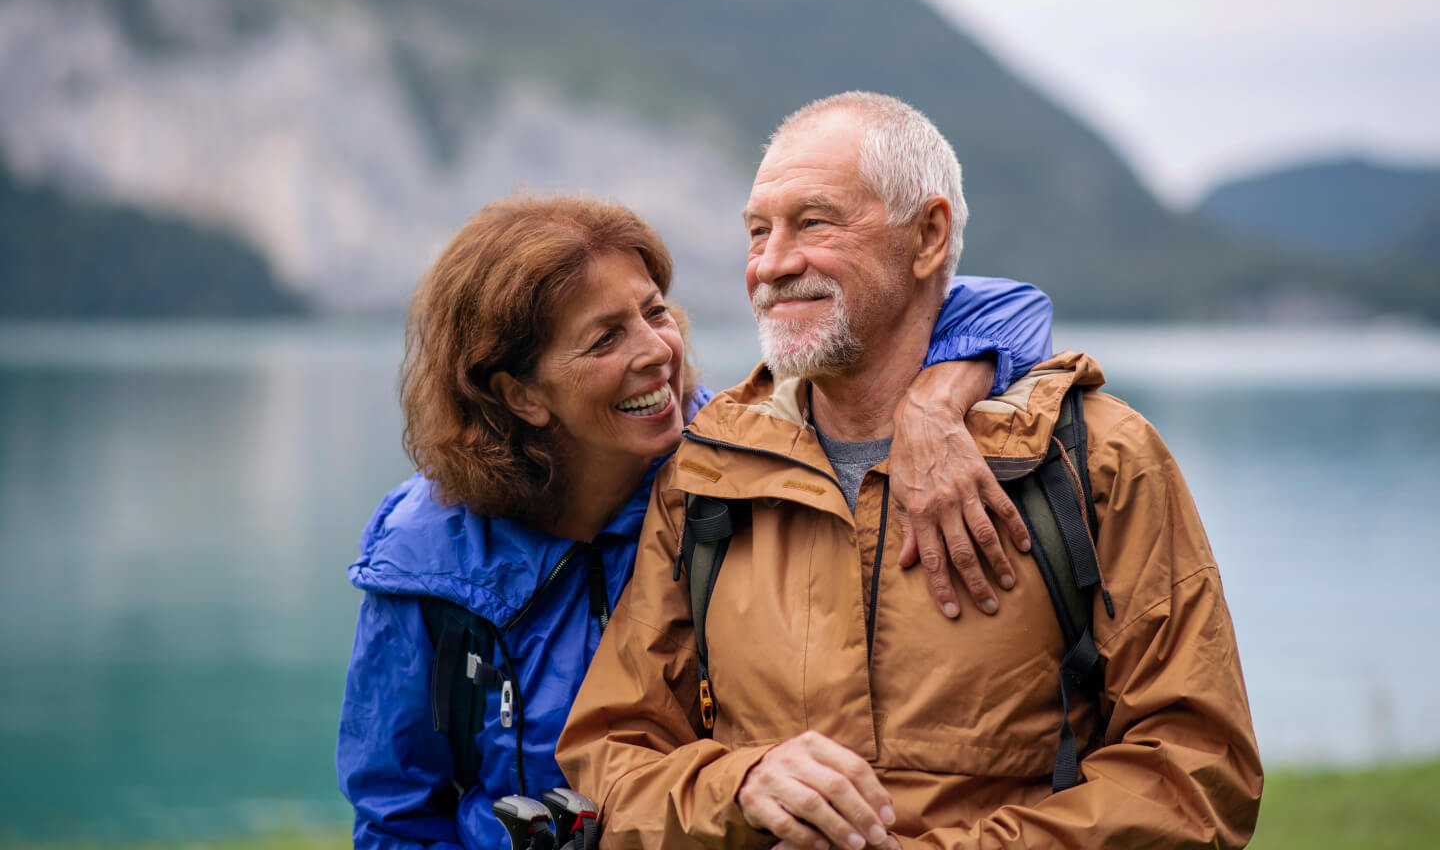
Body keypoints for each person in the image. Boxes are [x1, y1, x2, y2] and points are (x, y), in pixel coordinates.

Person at [557, 92, 1264, 849]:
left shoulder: (1099, 459)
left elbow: (1195, 775)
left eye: (815, 222)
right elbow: (610, 755)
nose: (770, 264)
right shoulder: (707, 468)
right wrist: (740, 786)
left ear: (928, 236)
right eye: (758, 232)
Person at [336, 191, 1056, 848]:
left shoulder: (733, 463)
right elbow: (397, 813)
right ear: (520, 394)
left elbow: (1014, 307)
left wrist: (936, 399)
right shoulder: (427, 556)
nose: (657, 352)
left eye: (654, 311)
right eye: (605, 338)